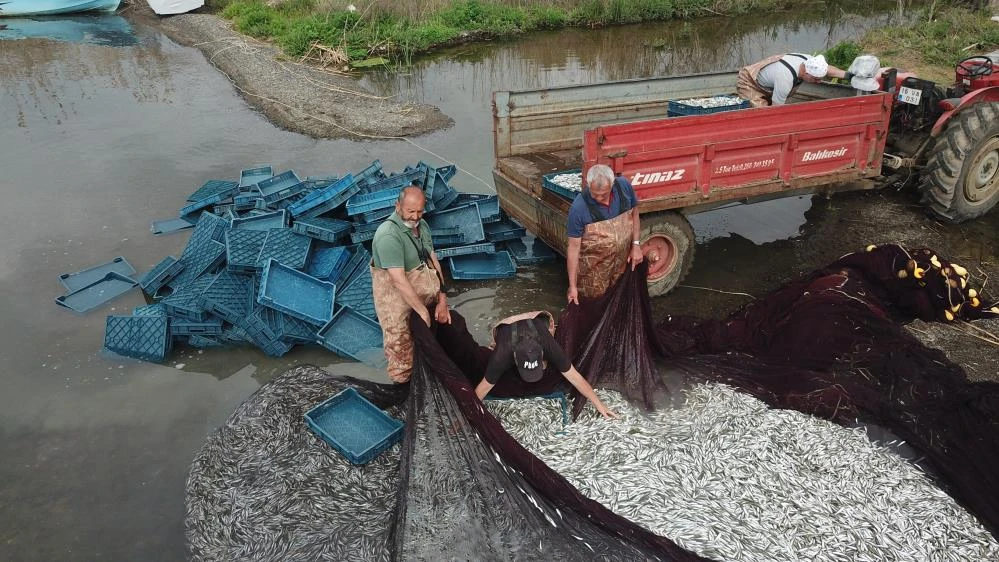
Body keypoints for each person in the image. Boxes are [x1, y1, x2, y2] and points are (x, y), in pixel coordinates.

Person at [371, 186, 451, 383]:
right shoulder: (388, 236)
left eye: (420, 211)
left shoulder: (422, 226)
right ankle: (405, 393)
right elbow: (398, 279)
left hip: (426, 296)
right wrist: (422, 312)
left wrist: (443, 299)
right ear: (398, 206)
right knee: (403, 357)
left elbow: (433, 260)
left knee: (437, 344)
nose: (415, 217)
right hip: (397, 305)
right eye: (410, 211)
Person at [474, 311, 618, 419]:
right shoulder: (501, 355)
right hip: (505, 328)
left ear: (542, 355)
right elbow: (484, 387)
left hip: (535, 321)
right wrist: (466, 415)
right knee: (495, 370)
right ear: (515, 361)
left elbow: (575, 377)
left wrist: (599, 405)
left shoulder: (550, 347)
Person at [566, 164, 643, 304]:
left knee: (619, 298)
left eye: (604, 194)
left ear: (612, 183)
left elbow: (635, 214)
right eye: (595, 195)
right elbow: (573, 248)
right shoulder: (578, 209)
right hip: (594, 272)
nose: (600, 199)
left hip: (621, 263)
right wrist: (572, 286)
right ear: (588, 185)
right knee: (594, 304)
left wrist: (636, 245)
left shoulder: (624, 187)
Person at [737, 53, 847, 107]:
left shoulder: (810, 61)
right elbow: (776, 110)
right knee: (761, 115)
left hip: (771, 83)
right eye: (816, 79)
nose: (818, 82)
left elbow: (828, 69)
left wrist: (848, 75)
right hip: (749, 82)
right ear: (806, 73)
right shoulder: (785, 79)